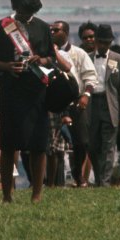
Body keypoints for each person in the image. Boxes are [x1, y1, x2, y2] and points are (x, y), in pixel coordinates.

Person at [0, 0, 55, 202]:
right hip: (11, 90)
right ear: (15, 7)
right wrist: (7, 66)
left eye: (30, 12)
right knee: (8, 144)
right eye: (23, 11)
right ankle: (7, 194)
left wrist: (40, 60)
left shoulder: (42, 27)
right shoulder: (0, 27)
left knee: (38, 144)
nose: (26, 16)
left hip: (36, 91)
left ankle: (37, 193)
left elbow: (51, 58)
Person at [50, 20, 97, 187]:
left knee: (82, 141)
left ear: (66, 32)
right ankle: (51, 181)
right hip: (53, 103)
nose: (53, 32)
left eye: (56, 30)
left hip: (76, 102)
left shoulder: (79, 53)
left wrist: (86, 95)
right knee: (52, 144)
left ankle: (78, 174)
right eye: (51, 30)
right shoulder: (46, 53)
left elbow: (90, 77)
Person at [86, 24, 120, 187]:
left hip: (111, 105)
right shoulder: (87, 58)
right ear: (96, 41)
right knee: (93, 145)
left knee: (109, 146)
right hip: (91, 103)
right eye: (101, 42)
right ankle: (98, 177)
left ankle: (105, 181)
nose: (104, 46)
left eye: (107, 43)